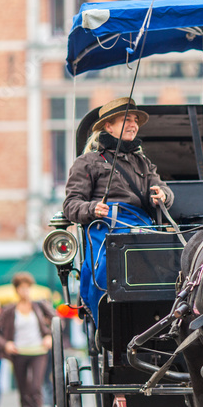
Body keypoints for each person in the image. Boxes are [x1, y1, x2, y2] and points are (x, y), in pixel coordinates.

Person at [63, 97, 173, 323]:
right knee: (105, 267)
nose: (133, 125)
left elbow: (162, 187)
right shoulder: (88, 162)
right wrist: (93, 208)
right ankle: (104, 320)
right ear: (108, 126)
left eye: (135, 120)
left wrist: (163, 195)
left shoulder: (142, 162)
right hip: (106, 228)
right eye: (126, 120)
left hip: (142, 227)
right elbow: (70, 205)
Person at [0, 272, 56, 407]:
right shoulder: (10, 310)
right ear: (17, 290)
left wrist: (49, 336)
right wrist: (5, 344)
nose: (25, 291)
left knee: (35, 388)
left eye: (28, 288)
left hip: (38, 352)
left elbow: (57, 320)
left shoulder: (39, 306)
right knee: (24, 392)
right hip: (19, 353)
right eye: (22, 288)